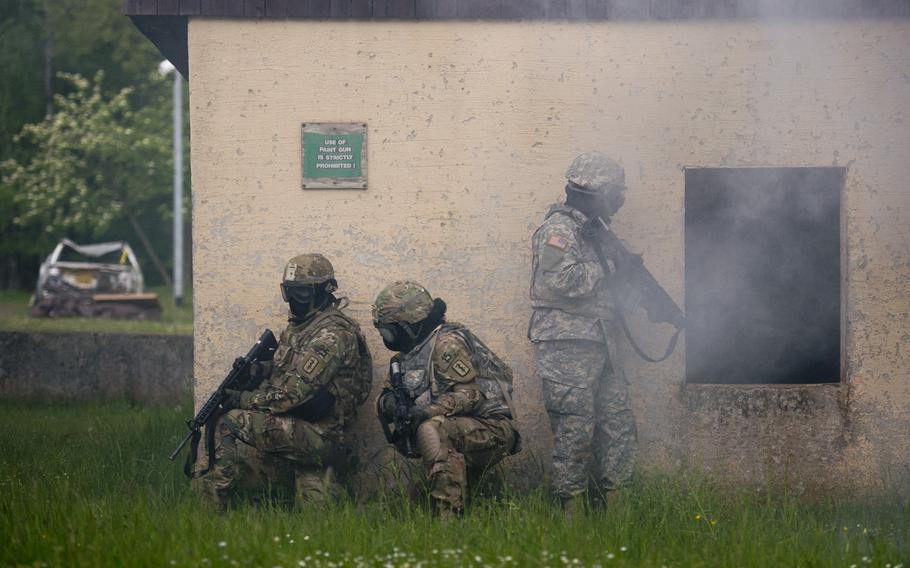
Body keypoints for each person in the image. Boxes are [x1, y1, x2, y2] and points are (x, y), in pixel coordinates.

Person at [193, 253, 372, 510]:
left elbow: (290, 396)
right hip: (303, 428)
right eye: (289, 292)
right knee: (314, 503)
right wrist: (258, 371)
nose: (293, 301)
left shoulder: (331, 335)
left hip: (324, 437)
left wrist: (240, 399)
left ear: (323, 291)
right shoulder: (301, 327)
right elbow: (285, 369)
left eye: (301, 293)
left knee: (227, 421)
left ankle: (209, 506)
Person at [528, 151, 637, 515]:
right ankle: (570, 516)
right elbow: (559, 279)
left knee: (618, 424)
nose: (619, 198)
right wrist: (609, 268)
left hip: (603, 340)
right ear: (593, 191)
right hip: (568, 345)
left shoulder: (597, 229)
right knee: (574, 430)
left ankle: (618, 513)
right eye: (614, 191)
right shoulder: (558, 230)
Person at [373, 280, 520, 518]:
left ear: (409, 324)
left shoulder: (445, 344)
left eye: (389, 330)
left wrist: (424, 412)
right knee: (413, 505)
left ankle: (448, 520)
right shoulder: (410, 354)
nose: (387, 337)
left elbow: (470, 396)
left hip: (492, 430)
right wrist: (391, 404)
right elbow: (385, 394)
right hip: (458, 428)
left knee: (432, 430)